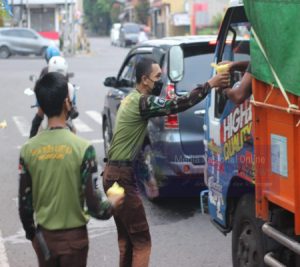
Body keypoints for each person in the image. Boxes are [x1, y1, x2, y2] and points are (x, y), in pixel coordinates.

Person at [102, 57, 230, 267]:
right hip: (121, 179)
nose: (160, 81)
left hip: (112, 176)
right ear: (145, 80)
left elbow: (132, 141)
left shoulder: (130, 100)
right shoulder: (143, 101)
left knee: (127, 238)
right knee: (142, 240)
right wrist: (210, 84)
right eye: (157, 77)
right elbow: (176, 104)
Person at [18, 72, 124, 267]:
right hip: (75, 242)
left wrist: (33, 236)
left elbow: (25, 207)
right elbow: (96, 207)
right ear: (67, 102)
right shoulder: (83, 149)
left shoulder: (28, 150)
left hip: (45, 241)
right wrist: (112, 202)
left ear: (40, 106)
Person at [29, 56, 78, 137]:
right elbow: (73, 107)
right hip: (65, 122)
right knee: (74, 130)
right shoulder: (69, 87)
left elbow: (39, 114)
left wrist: (31, 138)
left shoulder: (44, 85)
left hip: (48, 123)